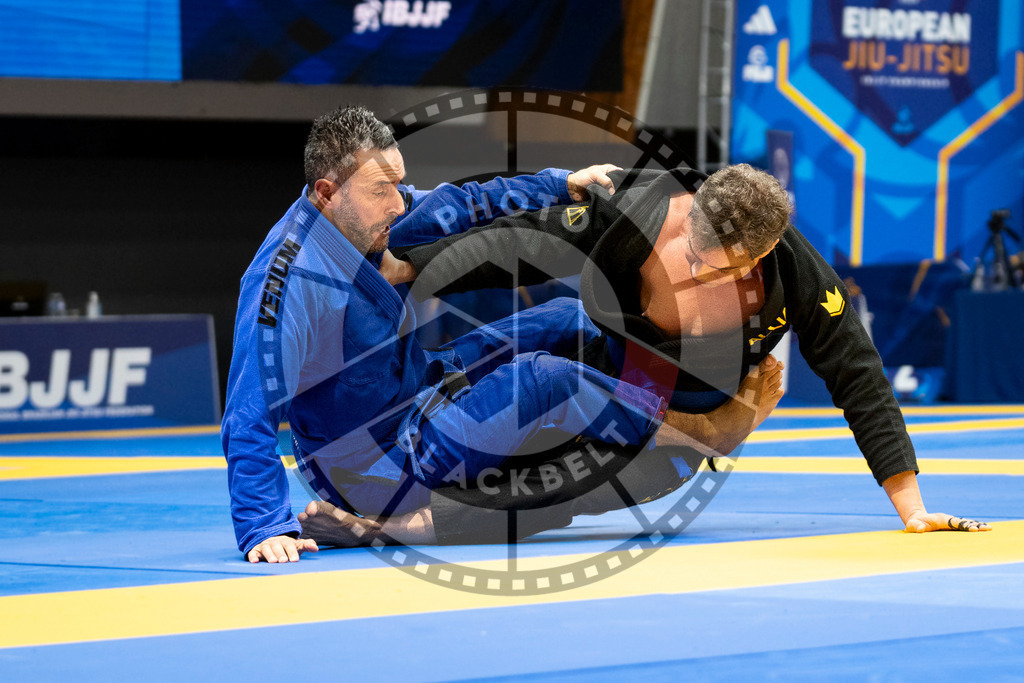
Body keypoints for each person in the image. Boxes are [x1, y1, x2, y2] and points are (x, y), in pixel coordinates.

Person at [304, 163, 988, 545]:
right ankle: (406, 419)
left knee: (569, 477)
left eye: (712, 267)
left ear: (756, 258)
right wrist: (405, 265)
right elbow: (515, 245)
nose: (691, 268)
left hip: (673, 434)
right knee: (547, 321)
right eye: (691, 249)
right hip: (612, 354)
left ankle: (407, 523)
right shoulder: (639, 216)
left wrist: (911, 505)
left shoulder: (797, 275)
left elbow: (857, 373)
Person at [222, 107, 782, 563]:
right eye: (381, 190)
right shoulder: (288, 283)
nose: (398, 202)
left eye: (398, 182)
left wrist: (560, 184)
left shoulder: (370, 215)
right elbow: (248, 411)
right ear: (326, 192)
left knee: (567, 315)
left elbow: (463, 204)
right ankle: (696, 432)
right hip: (374, 467)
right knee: (543, 380)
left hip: (417, 394)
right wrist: (263, 526)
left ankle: (633, 407)